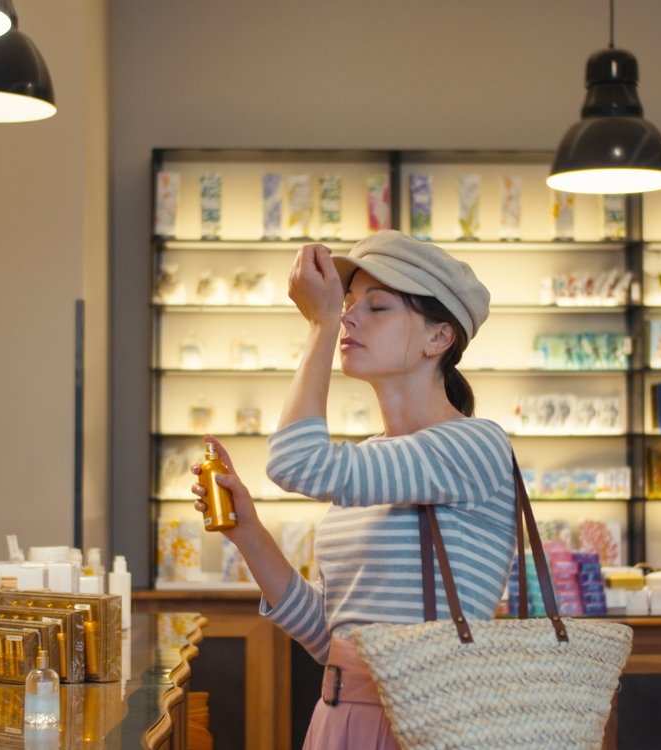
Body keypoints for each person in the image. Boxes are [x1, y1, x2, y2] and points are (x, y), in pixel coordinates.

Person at [191, 229, 517, 749]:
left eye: (378, 306)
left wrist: (319, 327)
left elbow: (297, 463)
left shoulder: (475, 444)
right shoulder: (372, 460)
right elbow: (327, 637)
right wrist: (246, 529)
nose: (348, 317)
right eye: (346, 304)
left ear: (440, 338)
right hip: (342, 715)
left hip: (430, 722)